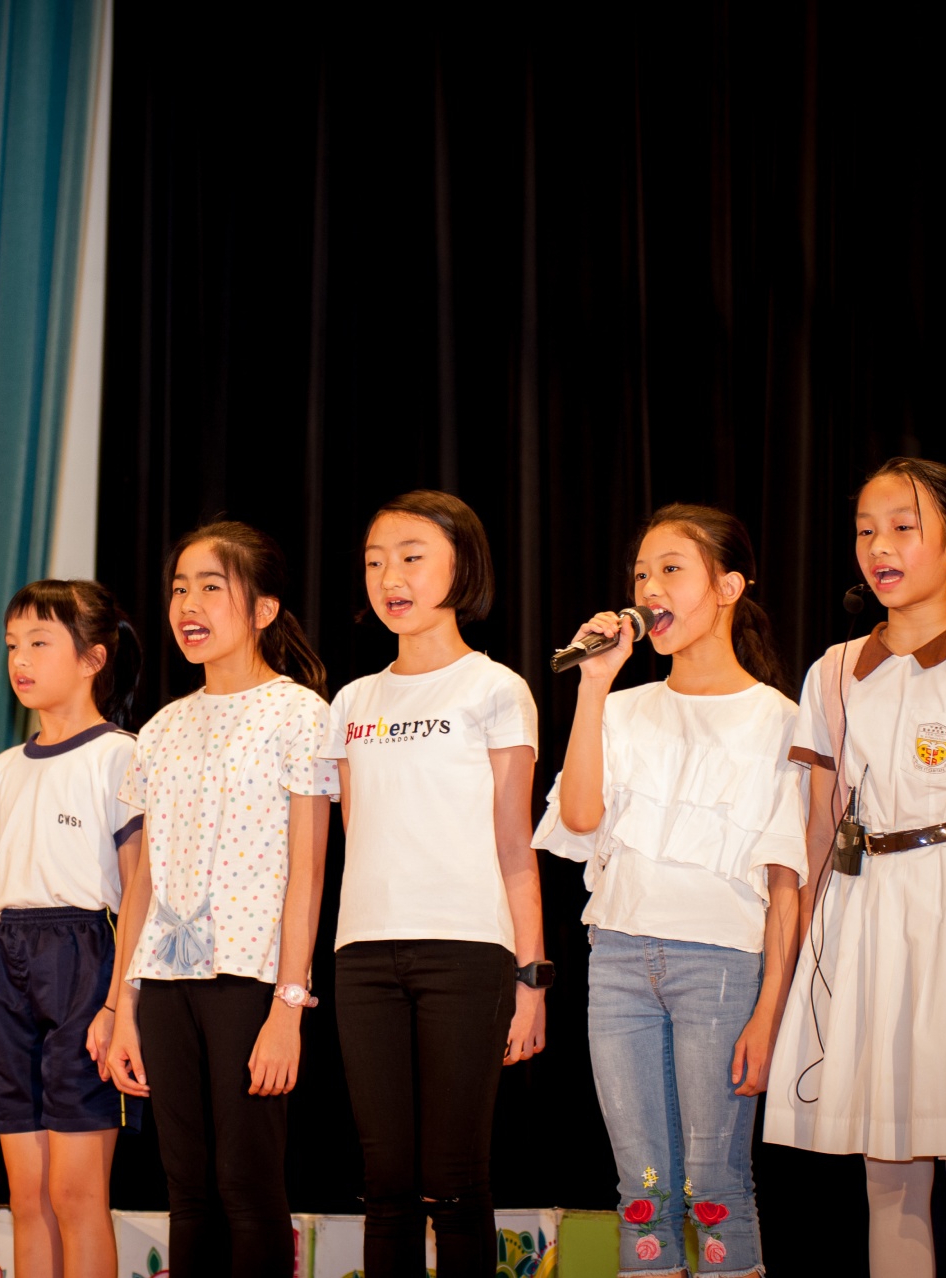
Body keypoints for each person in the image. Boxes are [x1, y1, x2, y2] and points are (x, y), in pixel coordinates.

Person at [765, 458, 946, 1277]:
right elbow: (818, 832)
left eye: (903, 527)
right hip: (865, 919)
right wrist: (795, 973)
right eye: (866, 530)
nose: (879, 547)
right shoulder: (834, 669)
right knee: (887, 1178)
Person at [536, 505, 805, 1278]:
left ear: (729, 586)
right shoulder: (623, 708)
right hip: (619, 961)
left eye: (671, 570)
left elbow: (787, 889)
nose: (650, 588)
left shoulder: (779, 720)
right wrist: (594, 684)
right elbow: (579, 817)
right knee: (642, 1193)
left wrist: (769, 1013)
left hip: (720, 968)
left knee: (715, 1190)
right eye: (641, 574)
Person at [104, 521, 336, 1278]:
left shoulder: (300, 714)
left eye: (211, 586)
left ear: (263, 609)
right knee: (187, 1192)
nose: (188, 605)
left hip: (250, 980)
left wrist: (288, 1006)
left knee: (247, 1186)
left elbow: (308, 873)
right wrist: (122, 1007)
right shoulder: (160, 728)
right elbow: (143, 882)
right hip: (164, 983)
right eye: (179, 588)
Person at [320, 490, 543, 1277]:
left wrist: (531, 980)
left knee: (454, 1181)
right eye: (376, 561)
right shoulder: (351, 701)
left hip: (467, 951)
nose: (392, 577)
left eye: (412, 557)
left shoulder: (495, 688)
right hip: (363, 957)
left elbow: (515, 845)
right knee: (385, 1184)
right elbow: (359, 832)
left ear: (462, 567)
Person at [0, 580, 145, 1278]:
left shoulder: (120, 755)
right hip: (7, 968)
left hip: (84, 959)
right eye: (11, 645)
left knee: (76, 1195)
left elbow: (139, 893)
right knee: (27, 1199)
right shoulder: (3, 769)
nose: (20, 660)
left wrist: (117, 1007)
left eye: (39, 643)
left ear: (92, 658)